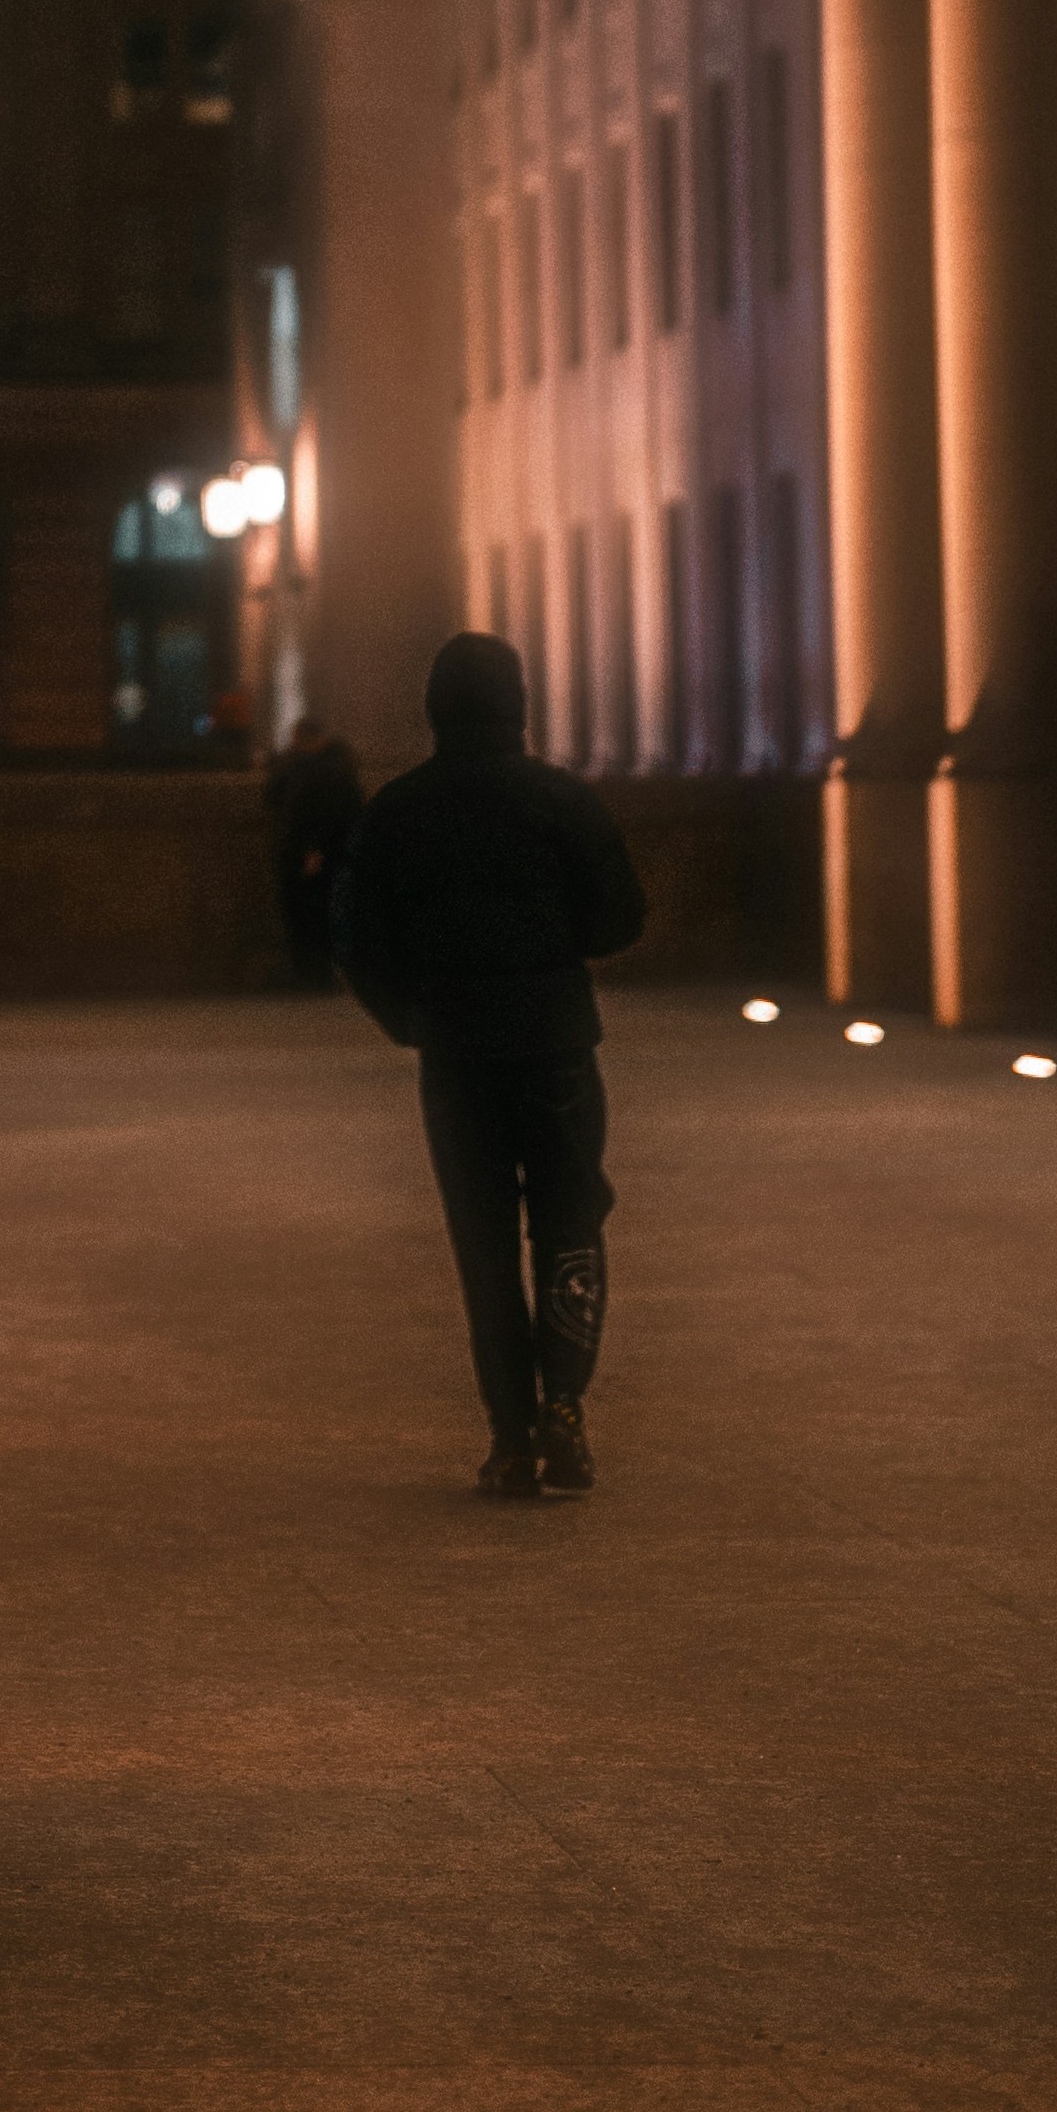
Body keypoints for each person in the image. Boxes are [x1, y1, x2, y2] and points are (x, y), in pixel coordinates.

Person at [338, 629, 648, 1500]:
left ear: (433, 707)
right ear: (520, 703)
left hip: (457, 1049)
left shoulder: (399, 810)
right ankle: (568, 1410)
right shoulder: (562, 800)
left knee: (483, 1244)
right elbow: (622, 918)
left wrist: (412, 1018)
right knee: (569, 1223)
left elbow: (357, 940)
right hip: (553, 1037)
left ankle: (508, 1438)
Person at [261, 723, 368, 991]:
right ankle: (320, 975)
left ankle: (312, 975)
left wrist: (315, 848)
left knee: (303, 913)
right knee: (318, 915)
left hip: (308, 852)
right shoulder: (338, 767)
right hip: (325, 852)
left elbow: (280, 799)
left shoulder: (314, 770)